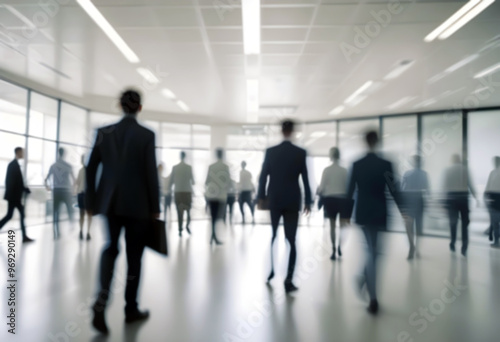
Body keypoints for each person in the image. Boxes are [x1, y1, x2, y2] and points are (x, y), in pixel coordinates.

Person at [86, 89, 160, 334]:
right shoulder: (146, 135)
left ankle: (101, 301)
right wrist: (155, 207)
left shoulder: (104, 132)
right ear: (140, 108)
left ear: (119, 105)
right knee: (134, 257)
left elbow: (90, 167)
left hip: (110, 203)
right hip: (138, 206)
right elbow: (151, 173)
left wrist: (91, 202)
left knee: (110, 248)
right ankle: (131, 310)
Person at [346, 130, 403, 314]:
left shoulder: (357, 164)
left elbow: (349, 190)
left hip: (363, 211)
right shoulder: (386, 164)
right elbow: (394, 189)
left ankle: (363, 278)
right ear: (377, 142)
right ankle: (373, 299)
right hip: (379, 211)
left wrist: (346, 214)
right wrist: (403, 210)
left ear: (365, 142)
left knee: (373, 252)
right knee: (374, 252)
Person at [258, 120, 312, 293]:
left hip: (275, 200)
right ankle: (288, 280)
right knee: (291, 240)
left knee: (273, 236)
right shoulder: (300, 153)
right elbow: (305, 179)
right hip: (292, 201)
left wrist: (261, 197)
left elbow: (263, 176)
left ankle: (272, 271)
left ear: (282, 131)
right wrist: (308, 201)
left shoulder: (271, 152)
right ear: (293, 131)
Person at [317, 147, 351, 260]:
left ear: (331, 156)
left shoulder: (327, 170)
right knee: (342, 227)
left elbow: (321, 188)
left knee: (332, 226)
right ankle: (340, 246)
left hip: (330, 200)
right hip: (342, 200)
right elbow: (348, 187)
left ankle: (333, 250)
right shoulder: (344, 171)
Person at [442, 154, 477, 257]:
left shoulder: (447, 170)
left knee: (453, 222)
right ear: (460, 160)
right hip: (463, 198)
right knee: (465, 223)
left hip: (451, 198)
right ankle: (464, 246)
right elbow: (470, 184)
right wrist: (475, 197)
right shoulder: (465, 169)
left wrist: (443, 202)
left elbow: (445, 186)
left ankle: (452, 242)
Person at [0, 147, 34, 243]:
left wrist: (24, 189)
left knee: (11, 215)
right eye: (22, 152)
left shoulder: (15, 164)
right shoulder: (13, 165)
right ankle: (24, 237)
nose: (23, 153)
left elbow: (17, 182)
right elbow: (11, 182)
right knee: (12, 215)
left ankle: (24, 237)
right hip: (14, 197)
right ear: (17, 152)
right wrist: (23, 189)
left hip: (14, 196)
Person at [401, 155, 429, 259]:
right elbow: (427, 189)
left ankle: (411, 247)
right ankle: (416, 249)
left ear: (412, 163)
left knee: (408, 226)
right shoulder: (424, 174)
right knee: (418, 227)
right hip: (419, 200)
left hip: (409, 200)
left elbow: (402, 189)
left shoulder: (407, 174)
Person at [45, 147, 75, 240]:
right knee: (70, 210)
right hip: (66, 191)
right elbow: (74, 179)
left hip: (57, 191)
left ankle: (56, 231)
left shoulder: (53, 166)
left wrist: (48, 187)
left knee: (55, 212)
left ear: (58, 153)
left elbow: (46, 179)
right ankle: (71, 225)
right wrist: (73, 189)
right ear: (64, 154)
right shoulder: (68, 166)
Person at [205, 148, 231, 245]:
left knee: (213, 216)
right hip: (221, 196)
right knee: (217, 217)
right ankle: (213, 236)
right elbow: (227, 182)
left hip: (211, 195)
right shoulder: (225, 167)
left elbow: (207, 181)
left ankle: (213, 236)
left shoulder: (211, 166)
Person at [168, 152, 194, 237]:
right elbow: (193, 181)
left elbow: (171, 182)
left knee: (180, 212)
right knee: (188, 211)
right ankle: (187, 226)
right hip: (187, 192)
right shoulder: (189, 168)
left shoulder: (175, 168)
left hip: (178, 192)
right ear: (185, 156)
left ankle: (180, 229)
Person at [484, 156, 500, 247]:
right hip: (495, 198)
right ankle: (495, 239)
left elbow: (487, 188)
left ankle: (496, 241)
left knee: (495, 222)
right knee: (495, 221)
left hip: (494, 199)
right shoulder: (493, 172)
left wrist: (486, 199)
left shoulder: (493, 173)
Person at [76, 155, 92, 240]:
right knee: (89, 215)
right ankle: (88, 233)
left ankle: (81, 231)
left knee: (81, 214)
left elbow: (77, 183)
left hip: (81, 194)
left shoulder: (80, 171)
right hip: (88, 195)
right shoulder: (91, 171)